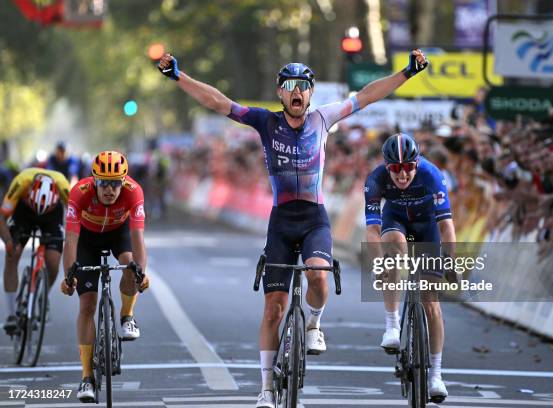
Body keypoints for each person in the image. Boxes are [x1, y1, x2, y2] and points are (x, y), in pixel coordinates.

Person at [158, 49, 429, 407]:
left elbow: (366, 96)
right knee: (273, 307)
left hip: (315, 217)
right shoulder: (264, 122)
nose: (296, 91)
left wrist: (406, 73)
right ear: (280, 93)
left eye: (303, 85)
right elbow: (218, 101)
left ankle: (314, 323)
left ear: (311, 92)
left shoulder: (323, 118)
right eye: (289, 85)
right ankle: (267, 387)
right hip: (281, 222)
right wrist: (180, 77)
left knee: (318, 276)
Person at [364, 133, 455, 402]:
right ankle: (392, 325)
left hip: (428, 227)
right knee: (394, 245)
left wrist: (449, 258)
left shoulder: (432, 175)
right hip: (396, 223)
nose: (402, 175)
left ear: (417, 164)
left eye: (407, 168)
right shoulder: (375, 180)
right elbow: (372, 229)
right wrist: (378, 261)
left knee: (431, 302)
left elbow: (446, 224)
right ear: (386, 166)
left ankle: (436, 375)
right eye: (395, 169)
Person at [59, 150, 150, 402]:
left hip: (117, 233)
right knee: (87, 304)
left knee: (131, 266)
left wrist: (141, 272)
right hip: (86, 239)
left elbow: (138, 238)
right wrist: (69, 276)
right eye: (104, 183)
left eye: (115, 184)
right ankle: (87, 377)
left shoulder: (134, 191)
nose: (110, 189)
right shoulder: (79, 193)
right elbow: (71, 240)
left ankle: (126, 316)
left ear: (123, 182)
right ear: (94, 181)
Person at [0, 168, 70, 333]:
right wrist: (8, 241)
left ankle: (42, 295)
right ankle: (10, 314)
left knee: (53, 262)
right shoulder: (20, 182)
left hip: (52, 216)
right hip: (24, 212)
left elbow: (79, 218)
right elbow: (2, 218)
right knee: (13, 255)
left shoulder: (64, 186)